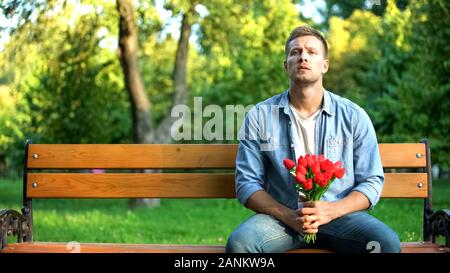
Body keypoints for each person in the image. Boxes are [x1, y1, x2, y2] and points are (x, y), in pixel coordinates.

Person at [225, 25, 401, 253]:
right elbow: (246, 183)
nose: (303, 57)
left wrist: (331, 210)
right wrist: (289, 216)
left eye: (311, 52)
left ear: (325, 65)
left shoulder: (353, 116)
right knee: (240, 244)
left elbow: (372, 180)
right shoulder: (260, 116)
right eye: (295, 52)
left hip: (340, 218)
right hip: (282, 220)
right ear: (285, 64)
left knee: (385, 244)